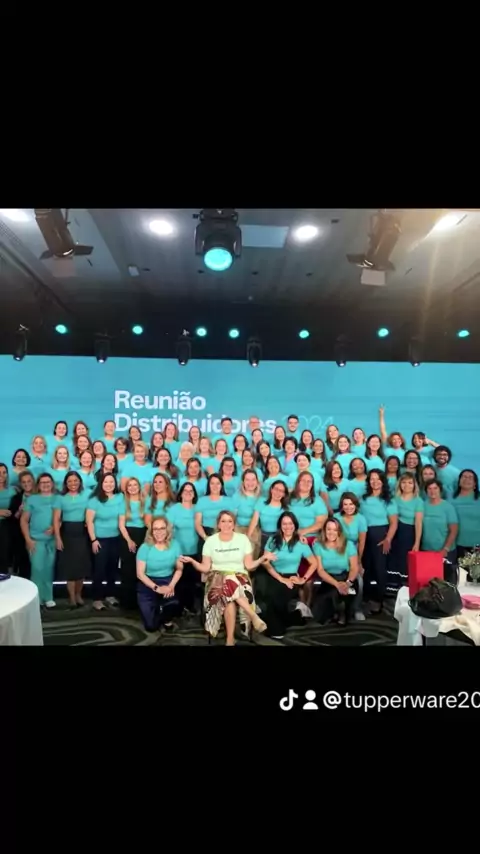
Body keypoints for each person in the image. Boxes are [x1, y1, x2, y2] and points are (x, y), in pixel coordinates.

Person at [181, 511, 268, 645]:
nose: (227, 524)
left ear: (234, 524)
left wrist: (261, 559)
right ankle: (252, 615)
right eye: (223, 521)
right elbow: (205, 568)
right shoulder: (210, 541)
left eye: (230, 521)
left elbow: (249, 566)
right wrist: (192, 562)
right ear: (218, 524)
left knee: (229, 589)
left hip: (240, 578)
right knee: (227, 585)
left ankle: (230, 640)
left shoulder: (243, 539)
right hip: (216, 578)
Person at [263, 511, 317, 639]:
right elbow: (265, 562)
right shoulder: (273, 540)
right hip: (274, 574)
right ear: (280, 526)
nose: (287, 527)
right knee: (270, 596)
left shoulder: (301, 542)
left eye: (290, 523)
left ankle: (277, 631)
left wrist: (303, 579)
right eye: (284, 524)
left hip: (291, 576)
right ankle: (295, 617)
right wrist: (280, 578)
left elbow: (314, 563)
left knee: (277, 599)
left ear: (295, 525)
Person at [136, 516, 184, 632]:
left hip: (167, 580)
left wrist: (171, 586)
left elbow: (179, 569)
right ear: (151, 531)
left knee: (174, 605)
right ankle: (157, 609)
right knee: (151, 626)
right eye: (155, 529)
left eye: (162, 528)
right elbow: (140, 574)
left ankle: (166, 615)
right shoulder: (145, 547)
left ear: (167, 530)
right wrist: (156, 588)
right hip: (147, 583)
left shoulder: (175, 545)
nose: (159, 532)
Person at [360, 470, 398, 615]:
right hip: (364, 535)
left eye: (378, 479)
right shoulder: (363, 499)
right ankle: (365, 599)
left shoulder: (388, 500)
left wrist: (388, 539)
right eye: (372, 479)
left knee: (379, 569)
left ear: (383, 481)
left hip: (380, 535)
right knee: (365, 568)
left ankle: (379, 600)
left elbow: (394, 523)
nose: (375, 482)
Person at [86, 473, 125, 611]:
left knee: (112, 569)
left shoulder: (120, 498)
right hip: (100, 539)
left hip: (116, 538)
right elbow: (89, 522)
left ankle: (110, 595)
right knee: (99, 570)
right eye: (106, 482)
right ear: (101, 484)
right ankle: (97, 599)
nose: (109, 484)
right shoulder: (94, 500)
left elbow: (121, 519)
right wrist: (93, 540)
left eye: (111, 482)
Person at [53, 470, 90, 609]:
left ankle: (79, 595)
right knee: (70, 568)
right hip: (67, 534)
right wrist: (58, 537)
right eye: (69, 481)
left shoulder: (87, 495)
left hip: (82, 533)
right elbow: (56, 519)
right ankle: (72, 598)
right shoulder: (60, 498)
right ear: (65, 483)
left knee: (81, 567)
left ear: (80, 481)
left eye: (75, 480)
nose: (73, 483)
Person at [312, 518, 359, 626]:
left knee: (344, 595)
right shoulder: (318, 545)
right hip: (329, 579)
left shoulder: (348, 545)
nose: (331, 532)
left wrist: (347, 583)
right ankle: (334, 611)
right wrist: (337, 584)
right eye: (329, 529)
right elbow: (320, 570)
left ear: (339, 531)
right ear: (324, 530)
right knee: (319, 616)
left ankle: (343, 611)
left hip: (346, 577)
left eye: (335, 530)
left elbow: (354, 568)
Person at [20, 473, 57, 608]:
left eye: (48, 482)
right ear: (38, 485)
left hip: (52, 541)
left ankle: (48, 597)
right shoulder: (32, 499)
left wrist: (55, 527)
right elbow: (24, 520)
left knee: (49, 569)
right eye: (42, 482)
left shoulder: (58, 499)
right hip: (36, 540)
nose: (45, 484)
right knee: (37, 569)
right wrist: (28, 539)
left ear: (52, 483)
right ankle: (36, 598)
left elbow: (61, 518)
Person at [166, 482, 200, 614]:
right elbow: (168, 529)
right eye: (185, 491)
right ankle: (179, 607)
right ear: (180, 494)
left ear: (194, 494)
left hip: (195, 551)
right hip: (178, 551)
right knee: (180, 580)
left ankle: (190, 605)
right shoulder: (174, 509)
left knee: (192, 581)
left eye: (191, 491)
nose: (188, 493)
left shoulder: (198, 509)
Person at [388, 473, 424, 592]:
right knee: (394, 560)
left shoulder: (418, 501)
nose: (406, 485)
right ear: (400, 484)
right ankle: (393, 588)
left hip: (409, 533)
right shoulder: (394, 499)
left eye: (410, 482)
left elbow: (418, 522)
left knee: (406, 562)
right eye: (404, 482)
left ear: (414, 485)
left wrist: (417, 542)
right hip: (395, 532)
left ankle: (405, 589)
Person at [334, 492, 367, 621]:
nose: (348, 507)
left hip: (355, 553)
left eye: (351, 504)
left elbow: (362, 542)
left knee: (359, 582)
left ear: (355, 505)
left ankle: (357, 608)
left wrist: (359, 561)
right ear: (341, 506)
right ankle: (338, 610)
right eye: (345, 504)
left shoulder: (361, 519)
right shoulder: (336, 518)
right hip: (338, 553)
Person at [118, 477, 147, 610]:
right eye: (130, 485)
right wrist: (129, 540)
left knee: (141, 568)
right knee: (128, 569)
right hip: (127, 536)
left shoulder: (145, 502)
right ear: (126, 488)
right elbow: (121, 525)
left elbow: (148, 522)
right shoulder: (123, 503)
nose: (133, 487)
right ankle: (127, 601)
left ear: (139, 487)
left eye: (135, 485)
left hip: (143, 535)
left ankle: (140, 600)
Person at [422, 479, 458, 562]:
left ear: (440, 490)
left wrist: (446, 549)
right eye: (429, 488)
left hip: (446, 551)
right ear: (426, 491)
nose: (432, 491)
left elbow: (454, 530)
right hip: (426, 550)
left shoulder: (448, 507)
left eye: (435, 488)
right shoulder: (422, 506)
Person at [9, 470, 35, 578]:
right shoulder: (16, 498)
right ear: (20, 484)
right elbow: (12, 519)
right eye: (24, 482)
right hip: (21, 537)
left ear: (33, 481)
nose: (26, 484)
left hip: (38, 535)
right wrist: (19, 512)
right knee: (24, 566)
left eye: (29, 481)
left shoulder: (41, 496)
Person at [452, 469, 480, 561]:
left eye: (470, 477)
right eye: (464, 477)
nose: (467, 479)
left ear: (475, 483)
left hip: (477, 545)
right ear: (459, 481)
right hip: (455, 545)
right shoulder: (450, 498)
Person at [0, 463, 16, 572]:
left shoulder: (13, 491)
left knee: (4, 557)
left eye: (4, 472)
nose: (1, 475)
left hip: (7, 527)